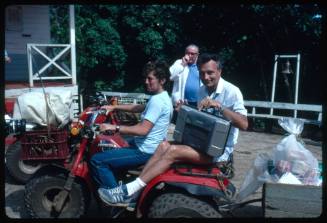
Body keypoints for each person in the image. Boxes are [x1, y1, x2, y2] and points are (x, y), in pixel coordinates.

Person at [98, 53, 248, 207]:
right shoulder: (202, 90)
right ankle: (135, 192)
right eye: (202, 73)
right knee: (162, 145)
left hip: (219, 153)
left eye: (210, 73)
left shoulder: (232, 91)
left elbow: (244, 124)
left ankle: (128, 190)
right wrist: (183, 110)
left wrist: (220, 107)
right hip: (201, 145)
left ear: (219, 71)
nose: (206, 77)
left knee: (173, 151)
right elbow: (202, 121)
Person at [90, 60, 173, 199]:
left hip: (145, 150)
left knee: (98, 160)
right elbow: (140, 108)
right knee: (111, 146)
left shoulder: (158, 101)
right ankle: (121, 180)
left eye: (150, 79)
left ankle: (118, 196)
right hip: (148, 145)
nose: (146, 82)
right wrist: (114, 107)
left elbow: (143, 130)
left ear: (162, 80)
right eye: (145, 78)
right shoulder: (161, 97)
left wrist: (114, 127)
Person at [170, 44, 202, 108]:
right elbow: (171, 77)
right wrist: (182, 65)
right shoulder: (179, 63)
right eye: (187, 53)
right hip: (180, 102)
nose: (189, 55)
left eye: (192, 54)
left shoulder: (201, 66)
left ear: (197, 55)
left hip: (197, 103)